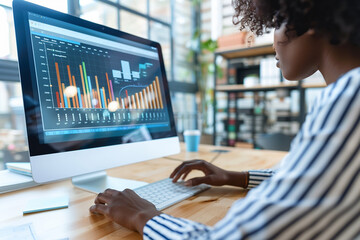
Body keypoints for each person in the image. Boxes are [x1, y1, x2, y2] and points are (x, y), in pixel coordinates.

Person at [90, 0, 360, 238]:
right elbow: (312, 182)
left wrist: (143, 216)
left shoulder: (350, 99)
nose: (273, 39)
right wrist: (237, 177)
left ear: (309, 15)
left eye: (278, 21)